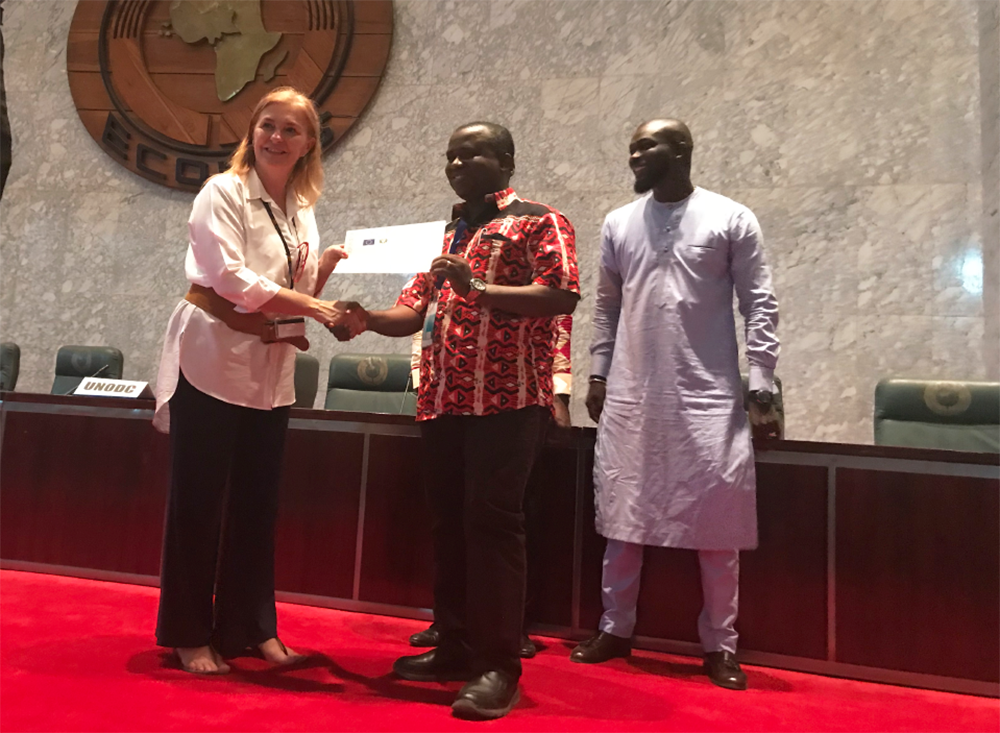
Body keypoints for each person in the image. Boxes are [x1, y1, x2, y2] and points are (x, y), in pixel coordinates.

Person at [335, 121, 579, 719]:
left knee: (493, 527)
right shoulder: (446, 234)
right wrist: (364, 317)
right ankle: (454, 644)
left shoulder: (538, 220)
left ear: (507, 160)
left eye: (472, 153)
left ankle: (498, 665)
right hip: (441, 402)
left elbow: (561, 295)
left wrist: (481, 287)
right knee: (448, 524)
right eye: (450, 155)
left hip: (507, 403)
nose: (457, 163)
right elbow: (411, 308)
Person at [152, 87, 358, 675]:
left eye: (290, 130)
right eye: (267, 125)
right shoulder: (222, 191)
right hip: (212, 359)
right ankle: (189, 633)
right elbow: (231, 278)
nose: (276, 137)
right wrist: (316, 308)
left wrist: (323, 272)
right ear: (252, 130)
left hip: (270, 368)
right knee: (198, 503)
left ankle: (250, 628)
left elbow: (290, 294)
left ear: (309, 143)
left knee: (256, 504)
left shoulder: (301, 205)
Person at [571, 119, 779, 691]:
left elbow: (758, 302)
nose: (635, 154)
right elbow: (607, 308)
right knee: (623, 515)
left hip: (708, 395)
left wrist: (761, 382)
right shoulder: (619, 222)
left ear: (681, 151)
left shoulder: (731, 217)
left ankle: (721, 645)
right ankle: (616, 629)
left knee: (718, 523)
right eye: (632, 145)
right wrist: (597, 372)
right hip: (633, 391)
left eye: (646, 146)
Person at [406, 315, 573, 658]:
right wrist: (424, 380)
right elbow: (426, 321)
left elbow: (559, 322)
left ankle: (513, 629)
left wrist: (560, 393)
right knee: (449, 520)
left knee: (510, 517)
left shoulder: (536, 263)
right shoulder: (439, 260)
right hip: (445, 398)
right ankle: (451, 625)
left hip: (515, 399)